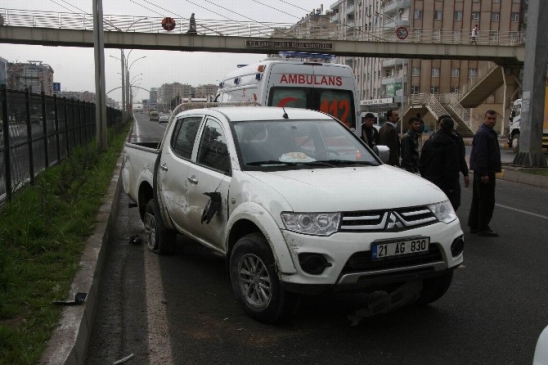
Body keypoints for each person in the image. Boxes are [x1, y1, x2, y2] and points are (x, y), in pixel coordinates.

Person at [468, 110, 501, 237]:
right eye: (489, 118)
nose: (492, 121)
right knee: (486, 201)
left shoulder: (488, 132)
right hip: (485, 172)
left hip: (484, 170)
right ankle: (483, 227)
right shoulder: (483, 133)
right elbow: (481, 154)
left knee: (478, 199)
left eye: (494, 118)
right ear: (484, 118)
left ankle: (475, 225)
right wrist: (484, 173)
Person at [419, 118, 462, 210]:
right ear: (452, 128)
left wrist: (426, 177)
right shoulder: (451, 145)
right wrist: (451, 186)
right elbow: (451, 168)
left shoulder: (429, 142)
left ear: (439, 126)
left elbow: (421, 163)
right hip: (445, 184)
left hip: (430, 181)